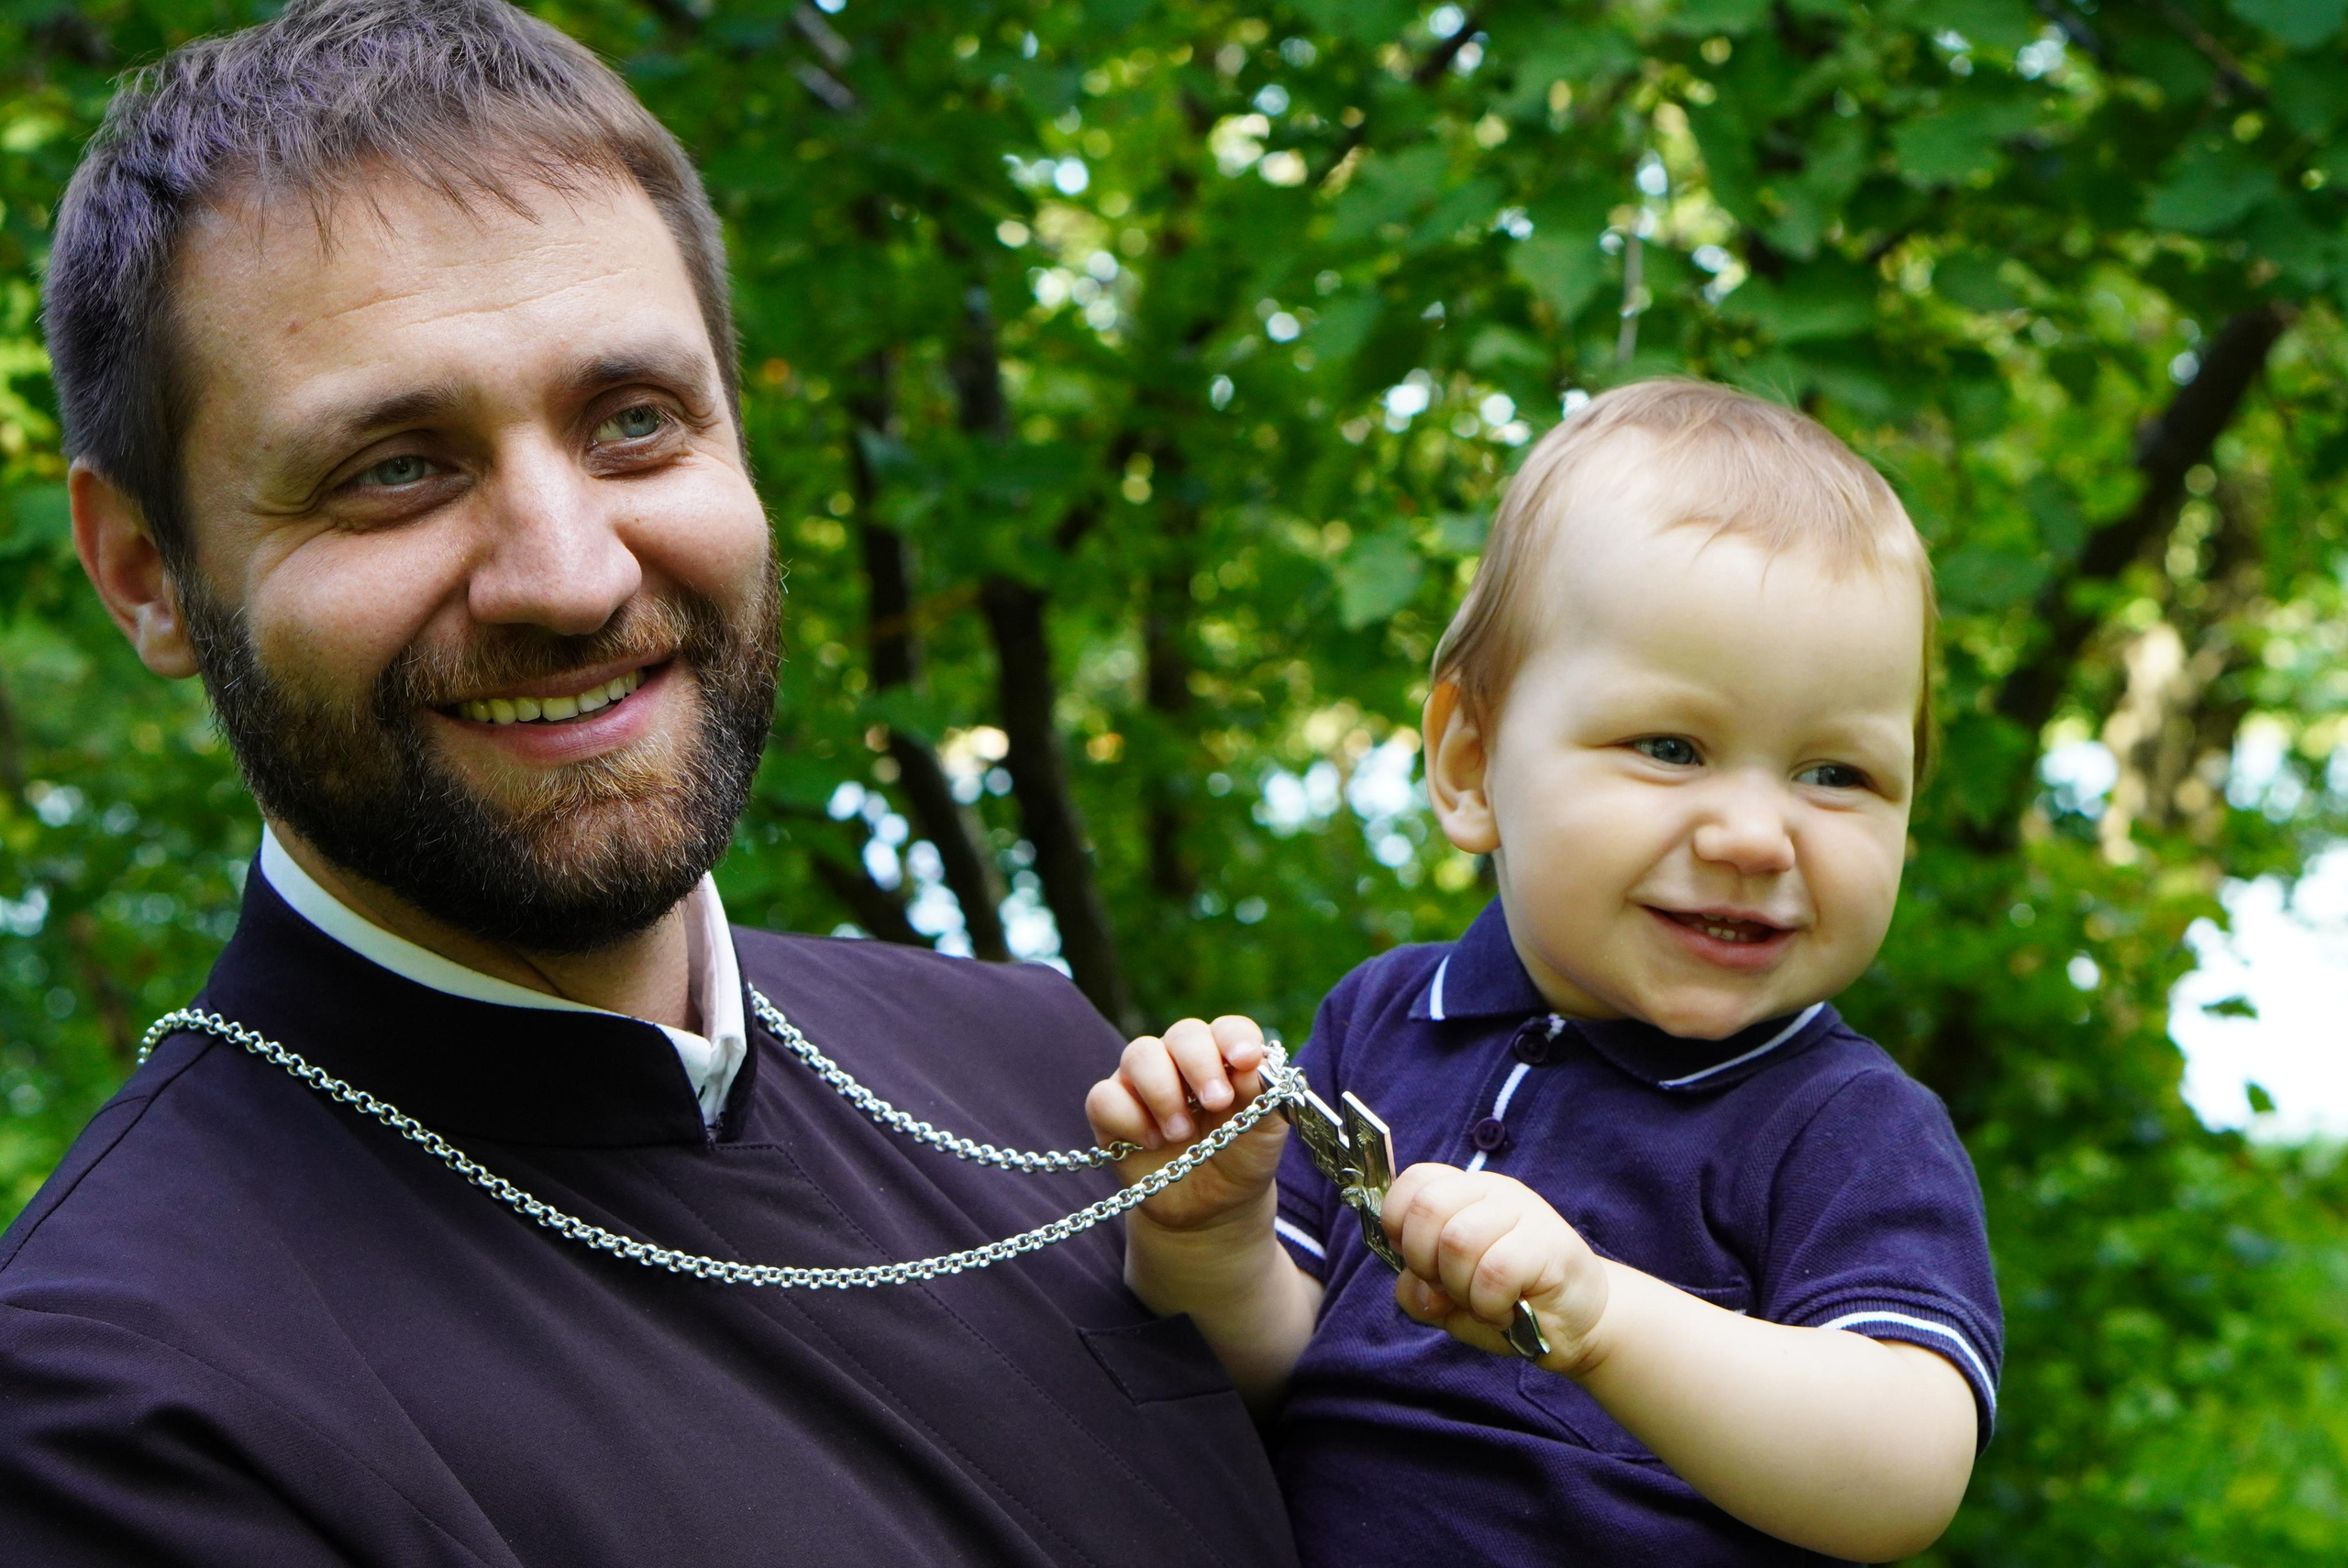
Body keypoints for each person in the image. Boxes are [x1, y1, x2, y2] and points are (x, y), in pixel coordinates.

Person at [0, 4, 1295, 1563]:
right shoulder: (117, 1401)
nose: (565, 573)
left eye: (633, 422)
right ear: (145, 572)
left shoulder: (1038, 1064)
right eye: (394, 467)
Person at [1088, 381, 2001, 1564]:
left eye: (1837, 774)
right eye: (1671, 748)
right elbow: (1254, 1381)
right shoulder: (1384, 1021)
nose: (1755, 835)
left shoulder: (1846, 1122)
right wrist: (1207, 1237)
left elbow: (1905, 1465)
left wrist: (1607, 1320)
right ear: (1472, 765)